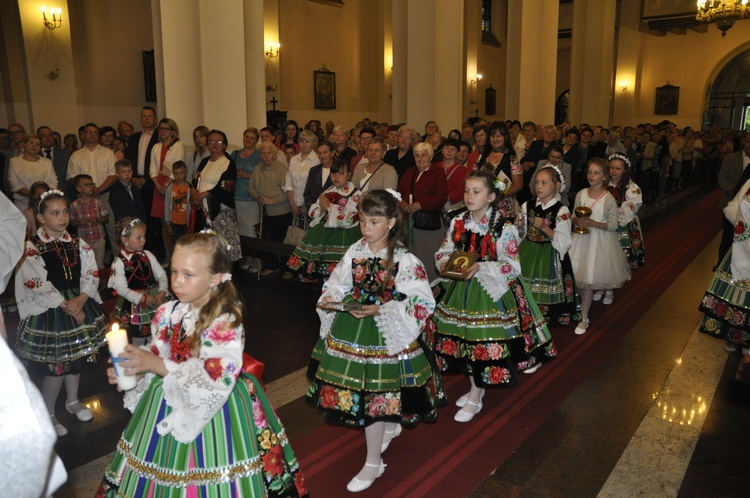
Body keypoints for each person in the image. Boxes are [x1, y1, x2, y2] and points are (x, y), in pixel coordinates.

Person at [98, 232, 308, 497]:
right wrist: (136, 369)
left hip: (218, 407)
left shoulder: (224, 321)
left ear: (215, 278)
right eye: (173, 271)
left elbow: (214, 378)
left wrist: (157, 365)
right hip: (169, 400)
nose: (177, 281)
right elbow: (158, 351)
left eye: (188, 274)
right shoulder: (167, 313)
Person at [306, 190, 439, 493]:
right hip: (352, 328)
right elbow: (338, 282)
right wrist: (330, 299)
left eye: (374, 222)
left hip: (385, 328)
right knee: (369, 393)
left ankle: (373, 461)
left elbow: (422, 301)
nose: (366, 228)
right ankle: (384, 435)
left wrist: (382, 308)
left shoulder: (404, 259)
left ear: (392, 222)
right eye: (363, 220)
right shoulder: (355, 250)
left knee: (376, 395)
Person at [433, 170, 556, 423]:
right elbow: (444, 250)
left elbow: (512, 265)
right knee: (463, 341)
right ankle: (474, 386)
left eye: (476, 192)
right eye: (467, 191)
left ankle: (476, 395)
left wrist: (480, 266)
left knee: (482, 342)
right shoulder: (458, 222)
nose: (469, 196)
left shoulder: (504, 226)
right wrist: (447, 263)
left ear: (490, 197)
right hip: (460, 289)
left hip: (490, 290)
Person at [14, 189, 107, 438]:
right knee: (57, 365)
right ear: (41, 218)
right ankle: (48, 412)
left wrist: (83, 298)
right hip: (53, 309)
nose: (63, 217)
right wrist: (68, 304)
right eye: (55, 213)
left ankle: (73, 401)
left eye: (65, 211)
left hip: (78, 301)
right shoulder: (33, 247)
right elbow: (35, 281)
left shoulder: (78, 243)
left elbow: (91, 272)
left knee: (76, 359)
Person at [569, 158, 631, 335]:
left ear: (604, 177)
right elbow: (573, 215)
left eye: (596, 173)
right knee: (575, 278)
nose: (591, 175)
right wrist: (577, 220)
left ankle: (584, 317)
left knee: (588, 279)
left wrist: (593, 223)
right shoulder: (581, 194)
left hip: (598, 241)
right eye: (589, 172)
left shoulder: (608, 199)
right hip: (579, 240)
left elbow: (613, 225)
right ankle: (580, 304)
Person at [518, 166, 578, 325]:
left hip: (549, 253)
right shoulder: (527, 206)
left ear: (556, 186)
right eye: (537, 182)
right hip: (528, 250)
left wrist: (544, 228)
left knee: (545, 284)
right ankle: (526, 315)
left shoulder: (561, 210)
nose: (538, 186)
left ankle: (547, 316)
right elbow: (521, 232)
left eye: (544, 183)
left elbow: (564, 241)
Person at [287, 157, 362, 283]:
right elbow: (313, 211)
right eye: (333, 173)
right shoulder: (327, 191)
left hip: (344, 234)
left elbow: (352, 217)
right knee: (319, 268)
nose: (336, 177)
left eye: (340, 173)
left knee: (342, 271)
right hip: (322, 232)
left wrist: (330, 207)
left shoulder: (355, 194)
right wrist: (321, 211)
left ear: (349, 175)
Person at [699, 177, 750, 353]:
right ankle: (736, 337)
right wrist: (742, 225)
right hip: (742, 247)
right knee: (737, 295)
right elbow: (733, 207)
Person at [108, 217, 168, 346]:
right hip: (134, 304)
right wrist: (143, 299)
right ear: (124, 240)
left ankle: (156, 354)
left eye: (144, 236)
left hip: (155, 299)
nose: (144, 240)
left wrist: (162, 291)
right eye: (139, 238)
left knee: (158, 333)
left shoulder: (147, 255)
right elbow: (121, 289)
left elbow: (161, 274)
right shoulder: (119, 262)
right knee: (137, 336)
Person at [397, 142, 448, 281]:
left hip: (428, 224)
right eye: (417, 155)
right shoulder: (409, 172)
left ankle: (431, 286)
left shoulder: (437, 172)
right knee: (410, 257)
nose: (420, 158)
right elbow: (399, 193)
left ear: (431, 156)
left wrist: (420, 205)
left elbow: (442, 197)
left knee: (427, 257)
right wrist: (401, 203)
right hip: (408, 222)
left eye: (423, 155)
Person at [598, 154, 645, 306]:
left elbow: (633, 206)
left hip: (620, 225)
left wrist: (616, 210)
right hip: (602, 224)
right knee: (601, 256)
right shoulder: (603, 183)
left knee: (613, 257)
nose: (614, 171)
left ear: (625, 170)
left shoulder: (631, 187)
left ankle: (610, 288)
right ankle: (600, 285)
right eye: (612, 167)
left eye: (618, 169)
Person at [192, 129, 241, 262]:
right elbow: (196, 179)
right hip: (203, 209)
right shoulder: (204, 161)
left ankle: (225, 276)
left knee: (222, 247)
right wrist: (194, 192)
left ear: (224, 145)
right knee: (208, 247)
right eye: (211, 141)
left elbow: (227, 186)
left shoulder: (228, 163)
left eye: (218, 141)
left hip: (221, 211)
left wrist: (206, 194)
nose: (214, 144)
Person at [248, 142, 292, 276]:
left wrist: (271, 200)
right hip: (264, 211)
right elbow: (251, 187)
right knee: (268, 240)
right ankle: (272, 266)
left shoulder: (282, 169)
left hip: (281, 211)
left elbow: (288, 192)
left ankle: (287, 269)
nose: (266, 156)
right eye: (263, 153)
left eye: (269, 153)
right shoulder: (257, 169)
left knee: (283, 241)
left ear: (274, 155)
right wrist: (258, 197)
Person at [150, 118, 184, 264]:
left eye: (166, 128)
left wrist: (166, 185)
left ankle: (177, 256)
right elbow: (152, 168)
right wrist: (158, 185)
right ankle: (167, 255)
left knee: (174, 223)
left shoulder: (178, 145)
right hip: (158, 186)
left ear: (173, 131)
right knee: (164, 224)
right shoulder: (156, 147)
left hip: (172, 185)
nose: (162, 131)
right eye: (161, 128)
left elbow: (177, 167)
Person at [475, 121, 523, 218]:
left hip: (503, 207)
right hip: (483, 204)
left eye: (499, 136)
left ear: (505, 137)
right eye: (493, 136)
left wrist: (499, 196)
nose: (495, 139)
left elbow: (518, 185)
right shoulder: (482, 156)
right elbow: (474, 177)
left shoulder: (512, 159)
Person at [231, 128, 261, 272]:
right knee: (241, 231)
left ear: (256, 140)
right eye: (246, 137)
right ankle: (247, 256)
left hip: (251, 198)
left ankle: (255, 258)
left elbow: (262, 175)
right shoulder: (235, 154)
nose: (248, 140)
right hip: (235, 196)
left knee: (251, 229)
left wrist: (248, 175)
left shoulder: (258, 156)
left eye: (252, 138)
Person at [69, 174, 110, 271]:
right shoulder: (74, 205)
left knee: (99, 265)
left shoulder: (97, 202)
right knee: (86, 266)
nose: (91, 187)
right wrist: (79, 222)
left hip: (99, 239)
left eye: (92, 184)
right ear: (79, 189)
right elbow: (71, 222)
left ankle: (100, 284)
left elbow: (106, 218)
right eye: (87, 185)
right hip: (84, 241)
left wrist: (98, 219)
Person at [8, 134, 58, 211]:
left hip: (44, 202)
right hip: (23, 204)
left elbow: (54, 181)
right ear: (24, 144)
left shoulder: (47, 162)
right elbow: (14, 184)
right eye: (31, 142)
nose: (34, 146)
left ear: (40, 148)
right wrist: (33, 196)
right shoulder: (14, 161)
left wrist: (43, 195)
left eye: (37, 144)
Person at [164, 160, 192, 251]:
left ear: (186, 173)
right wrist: (168, 223)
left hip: (186, 222)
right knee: (177, 245)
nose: (178, 176)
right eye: (175, 173)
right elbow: (167, 205)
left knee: (187, 245)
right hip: (175, 222)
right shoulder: (170, 188)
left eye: (181, 173)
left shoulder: (190, 187)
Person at [109, 159, 147, 224]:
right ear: (117, 174)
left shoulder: (134, 188)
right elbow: (117, 210)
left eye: (129, 171)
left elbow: (140, 207)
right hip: (125, 224)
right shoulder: (115, 190)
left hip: (138, 222)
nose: (127, 174)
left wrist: (143, 222)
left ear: (132, 172)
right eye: (123, 172)